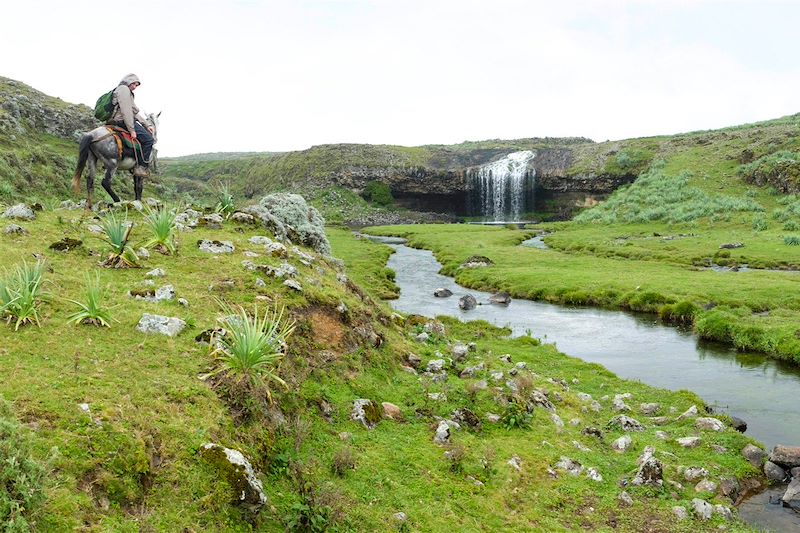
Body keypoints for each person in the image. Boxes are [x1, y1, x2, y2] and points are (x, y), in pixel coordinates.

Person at [107, 73, 154, 178]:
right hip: (122, 120)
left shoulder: (123, 91)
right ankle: (141, 167)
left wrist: (147, 125)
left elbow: (135, 112)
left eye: (136, 85)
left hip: (118, 119)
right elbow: (126, 112)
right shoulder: (124, 90)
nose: (135, 87)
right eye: (134, 84)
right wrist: (131, 130)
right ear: (129, 81)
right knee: (149, 140)